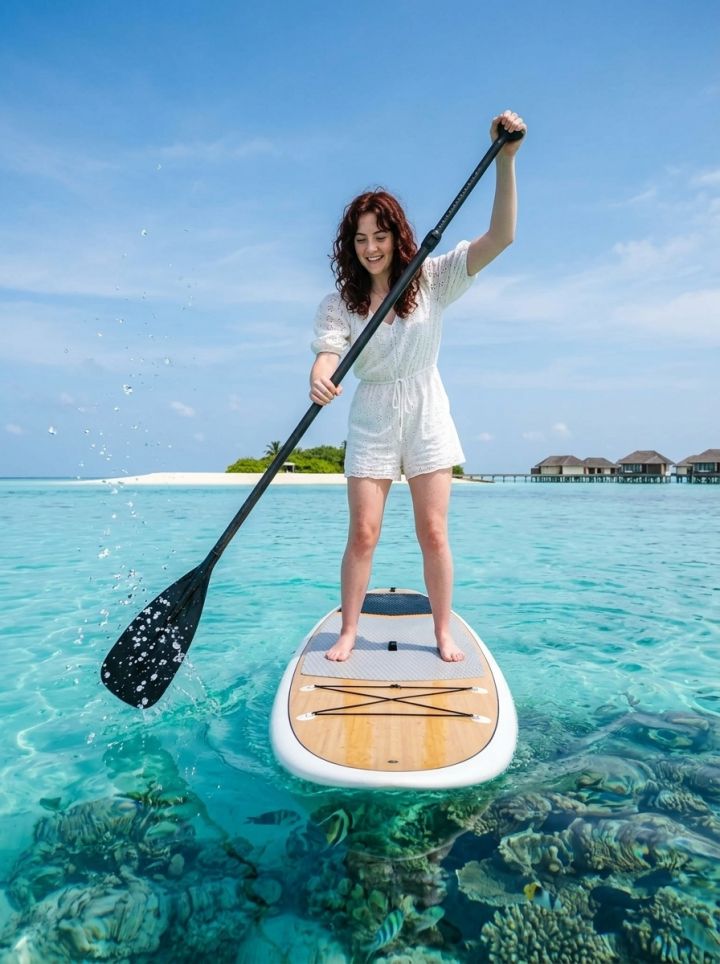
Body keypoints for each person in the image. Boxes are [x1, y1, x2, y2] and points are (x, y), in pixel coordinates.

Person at [309, 110, 526, 662]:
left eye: (379, 235)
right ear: (349, 245)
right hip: (372, 416)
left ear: (396, 235)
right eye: (360, 238)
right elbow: (328, 354)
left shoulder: (429, 279)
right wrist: (319, 376)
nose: (371, 247)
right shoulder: (340, 304)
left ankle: (443, 632)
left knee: (433, 531)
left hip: (427, 408)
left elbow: (502, 236)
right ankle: (350, 630)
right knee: (364, 532)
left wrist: (506, 161)